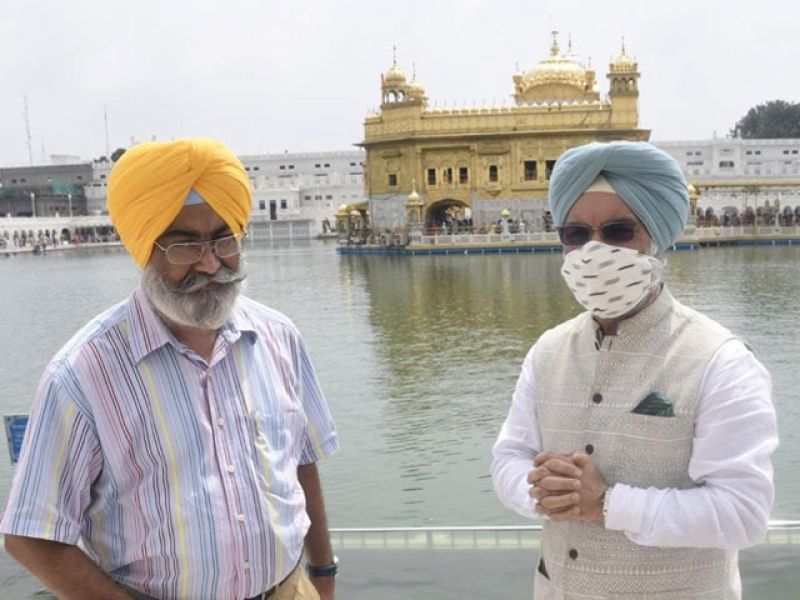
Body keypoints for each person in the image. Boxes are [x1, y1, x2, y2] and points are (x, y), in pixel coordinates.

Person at [1, 138, 340, 600]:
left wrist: (323, 573)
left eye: (224, 239)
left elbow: (302, 461)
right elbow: (31, 534)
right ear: (146, 249)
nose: (210, 263)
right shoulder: (84, 374)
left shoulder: (278, 337)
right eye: (185, 247)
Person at [491, 141, 778, 599]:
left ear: (656, 238)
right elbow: (508, 459)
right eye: (577, 234)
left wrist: (607, 504)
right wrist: (541, 490)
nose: (594, 250)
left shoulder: (719, 361)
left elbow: (743, 513)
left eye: (619, 231)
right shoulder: (548, 352)